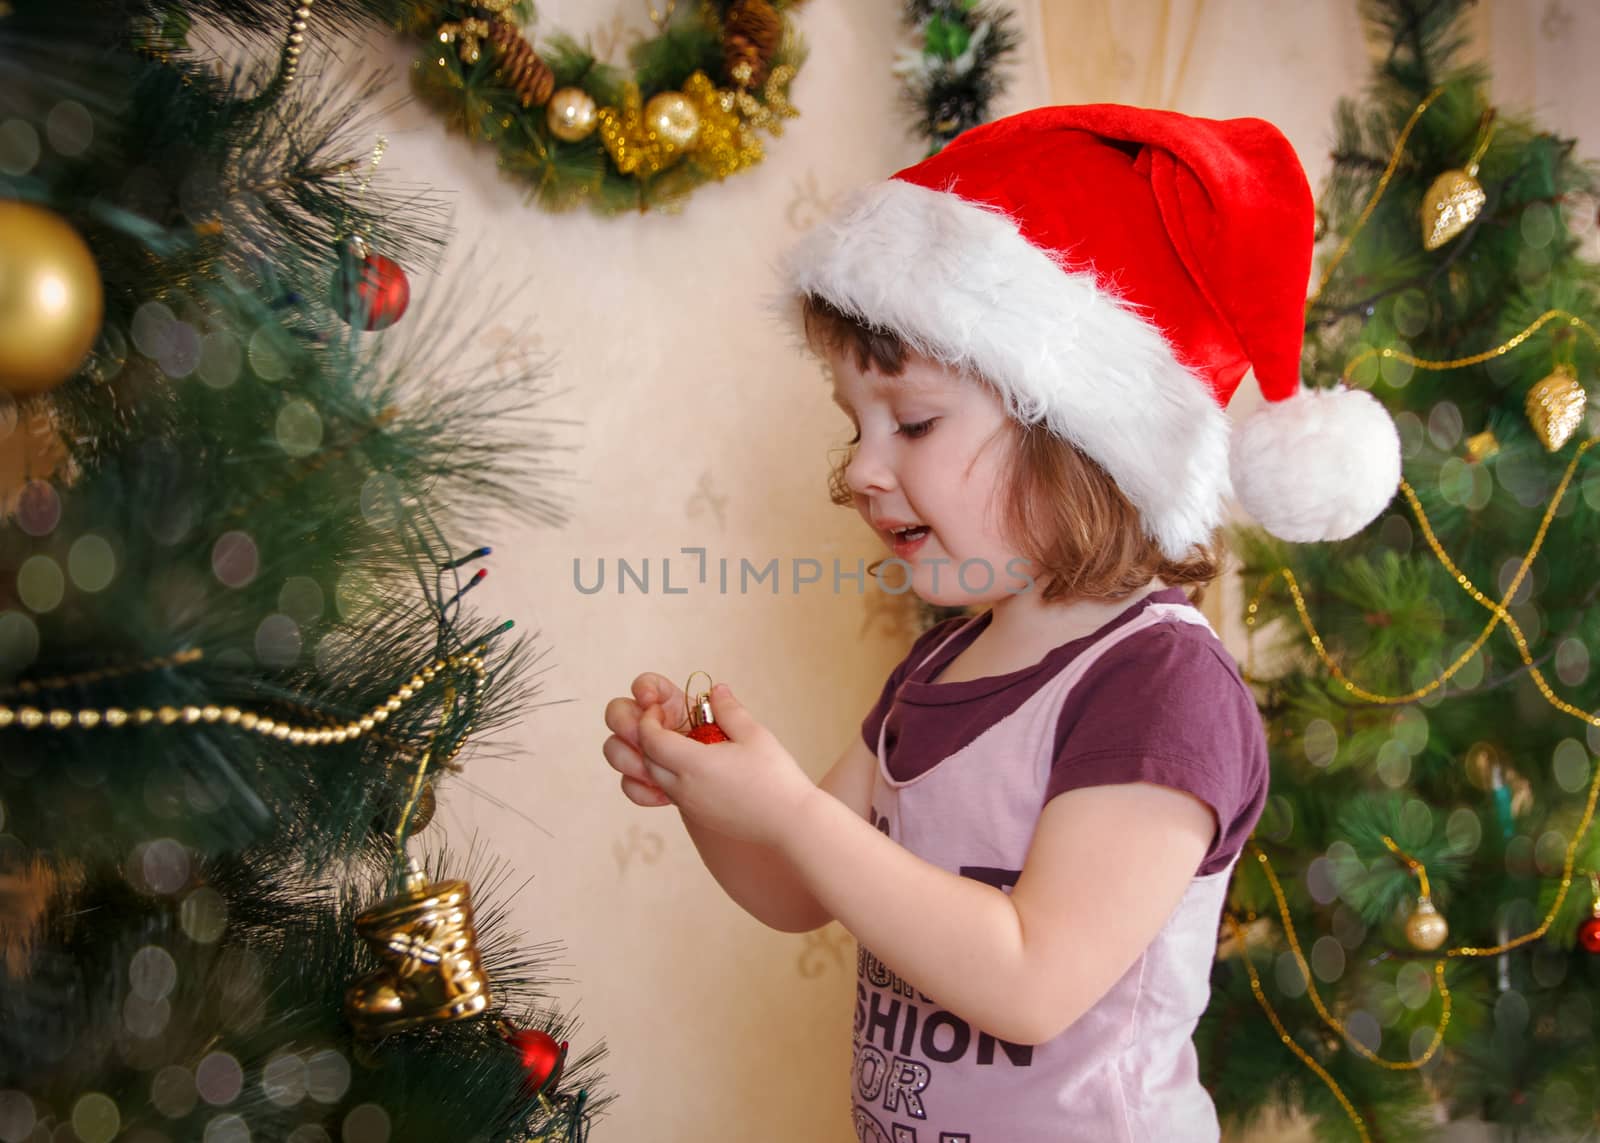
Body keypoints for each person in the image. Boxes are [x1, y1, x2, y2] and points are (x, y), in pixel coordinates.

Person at [602, 104, 1401, 1142]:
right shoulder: (943, 660)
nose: (856, 469)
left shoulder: (1156, 687)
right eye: (855, 426)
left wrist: (790, 811)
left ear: (1079, 438)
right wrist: (717, 795)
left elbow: (1033, 979)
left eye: (915, 422)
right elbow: (800, 889)